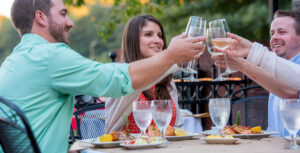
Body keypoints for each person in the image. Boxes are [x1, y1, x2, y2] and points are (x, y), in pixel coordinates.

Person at [0, 0, 204, 153]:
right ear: (41, 17)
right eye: (63, 14)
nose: (70, 22)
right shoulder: (51, 56)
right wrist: (171, 57)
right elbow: (116, 80)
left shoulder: (12, 61)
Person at [212, 10, 300, 137]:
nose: (274, 37)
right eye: (272, 33)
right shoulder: (276, 68)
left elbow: (291, 91)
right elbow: (275, 126)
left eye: (282, 32)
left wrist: (243, 64)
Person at [105, 15, 183, 134]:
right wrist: (172, 59)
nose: (157, 40)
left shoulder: (166, 79)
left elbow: (176, 127)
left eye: (160, 35)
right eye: (148, 34)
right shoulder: (122, 76)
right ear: (133, 40)